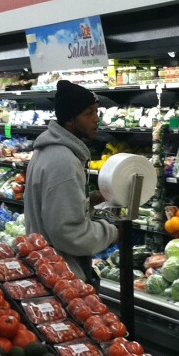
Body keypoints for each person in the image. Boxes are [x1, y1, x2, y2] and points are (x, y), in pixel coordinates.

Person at [25, 80, 118, 284]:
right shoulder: (64, 161)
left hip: (45, 265)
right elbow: (68, 232)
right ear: (69, 120)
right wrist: (112, 231)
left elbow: (52, 211)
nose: (96, 120)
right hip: (61, 275)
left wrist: (88, 203)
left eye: (96, 112)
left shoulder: (47, 151)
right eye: (88, 114)